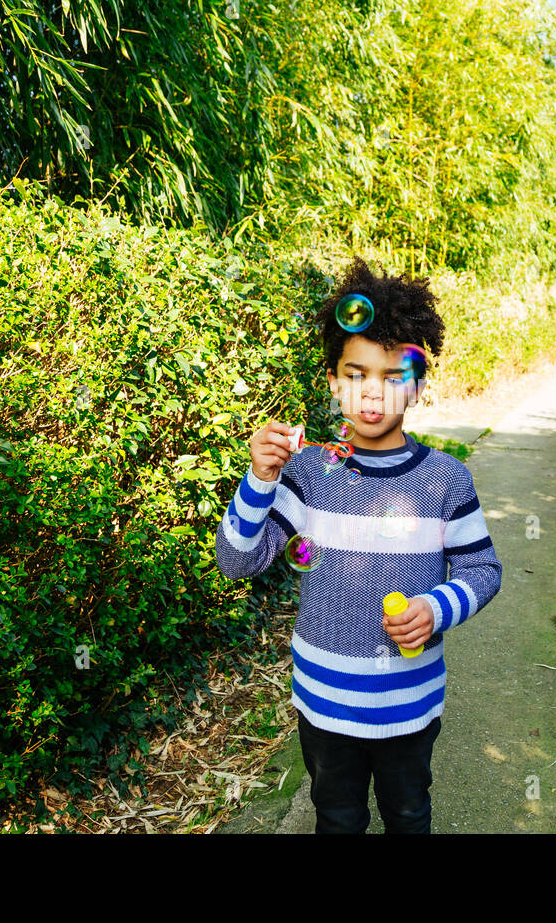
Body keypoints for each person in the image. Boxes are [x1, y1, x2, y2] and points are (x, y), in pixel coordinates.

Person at [213, 255, 503, 833]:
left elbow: (483, 568)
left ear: (418, 387)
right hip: (324, 703)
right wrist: (261, 479)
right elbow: (236, 560)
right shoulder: (309, 474)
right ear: (332, 382)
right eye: (355, 373)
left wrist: (435, 608)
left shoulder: (446, 480)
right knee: (337, 819)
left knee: (408, 814)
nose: (372, 394)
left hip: (410, 704)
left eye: (393, 376)